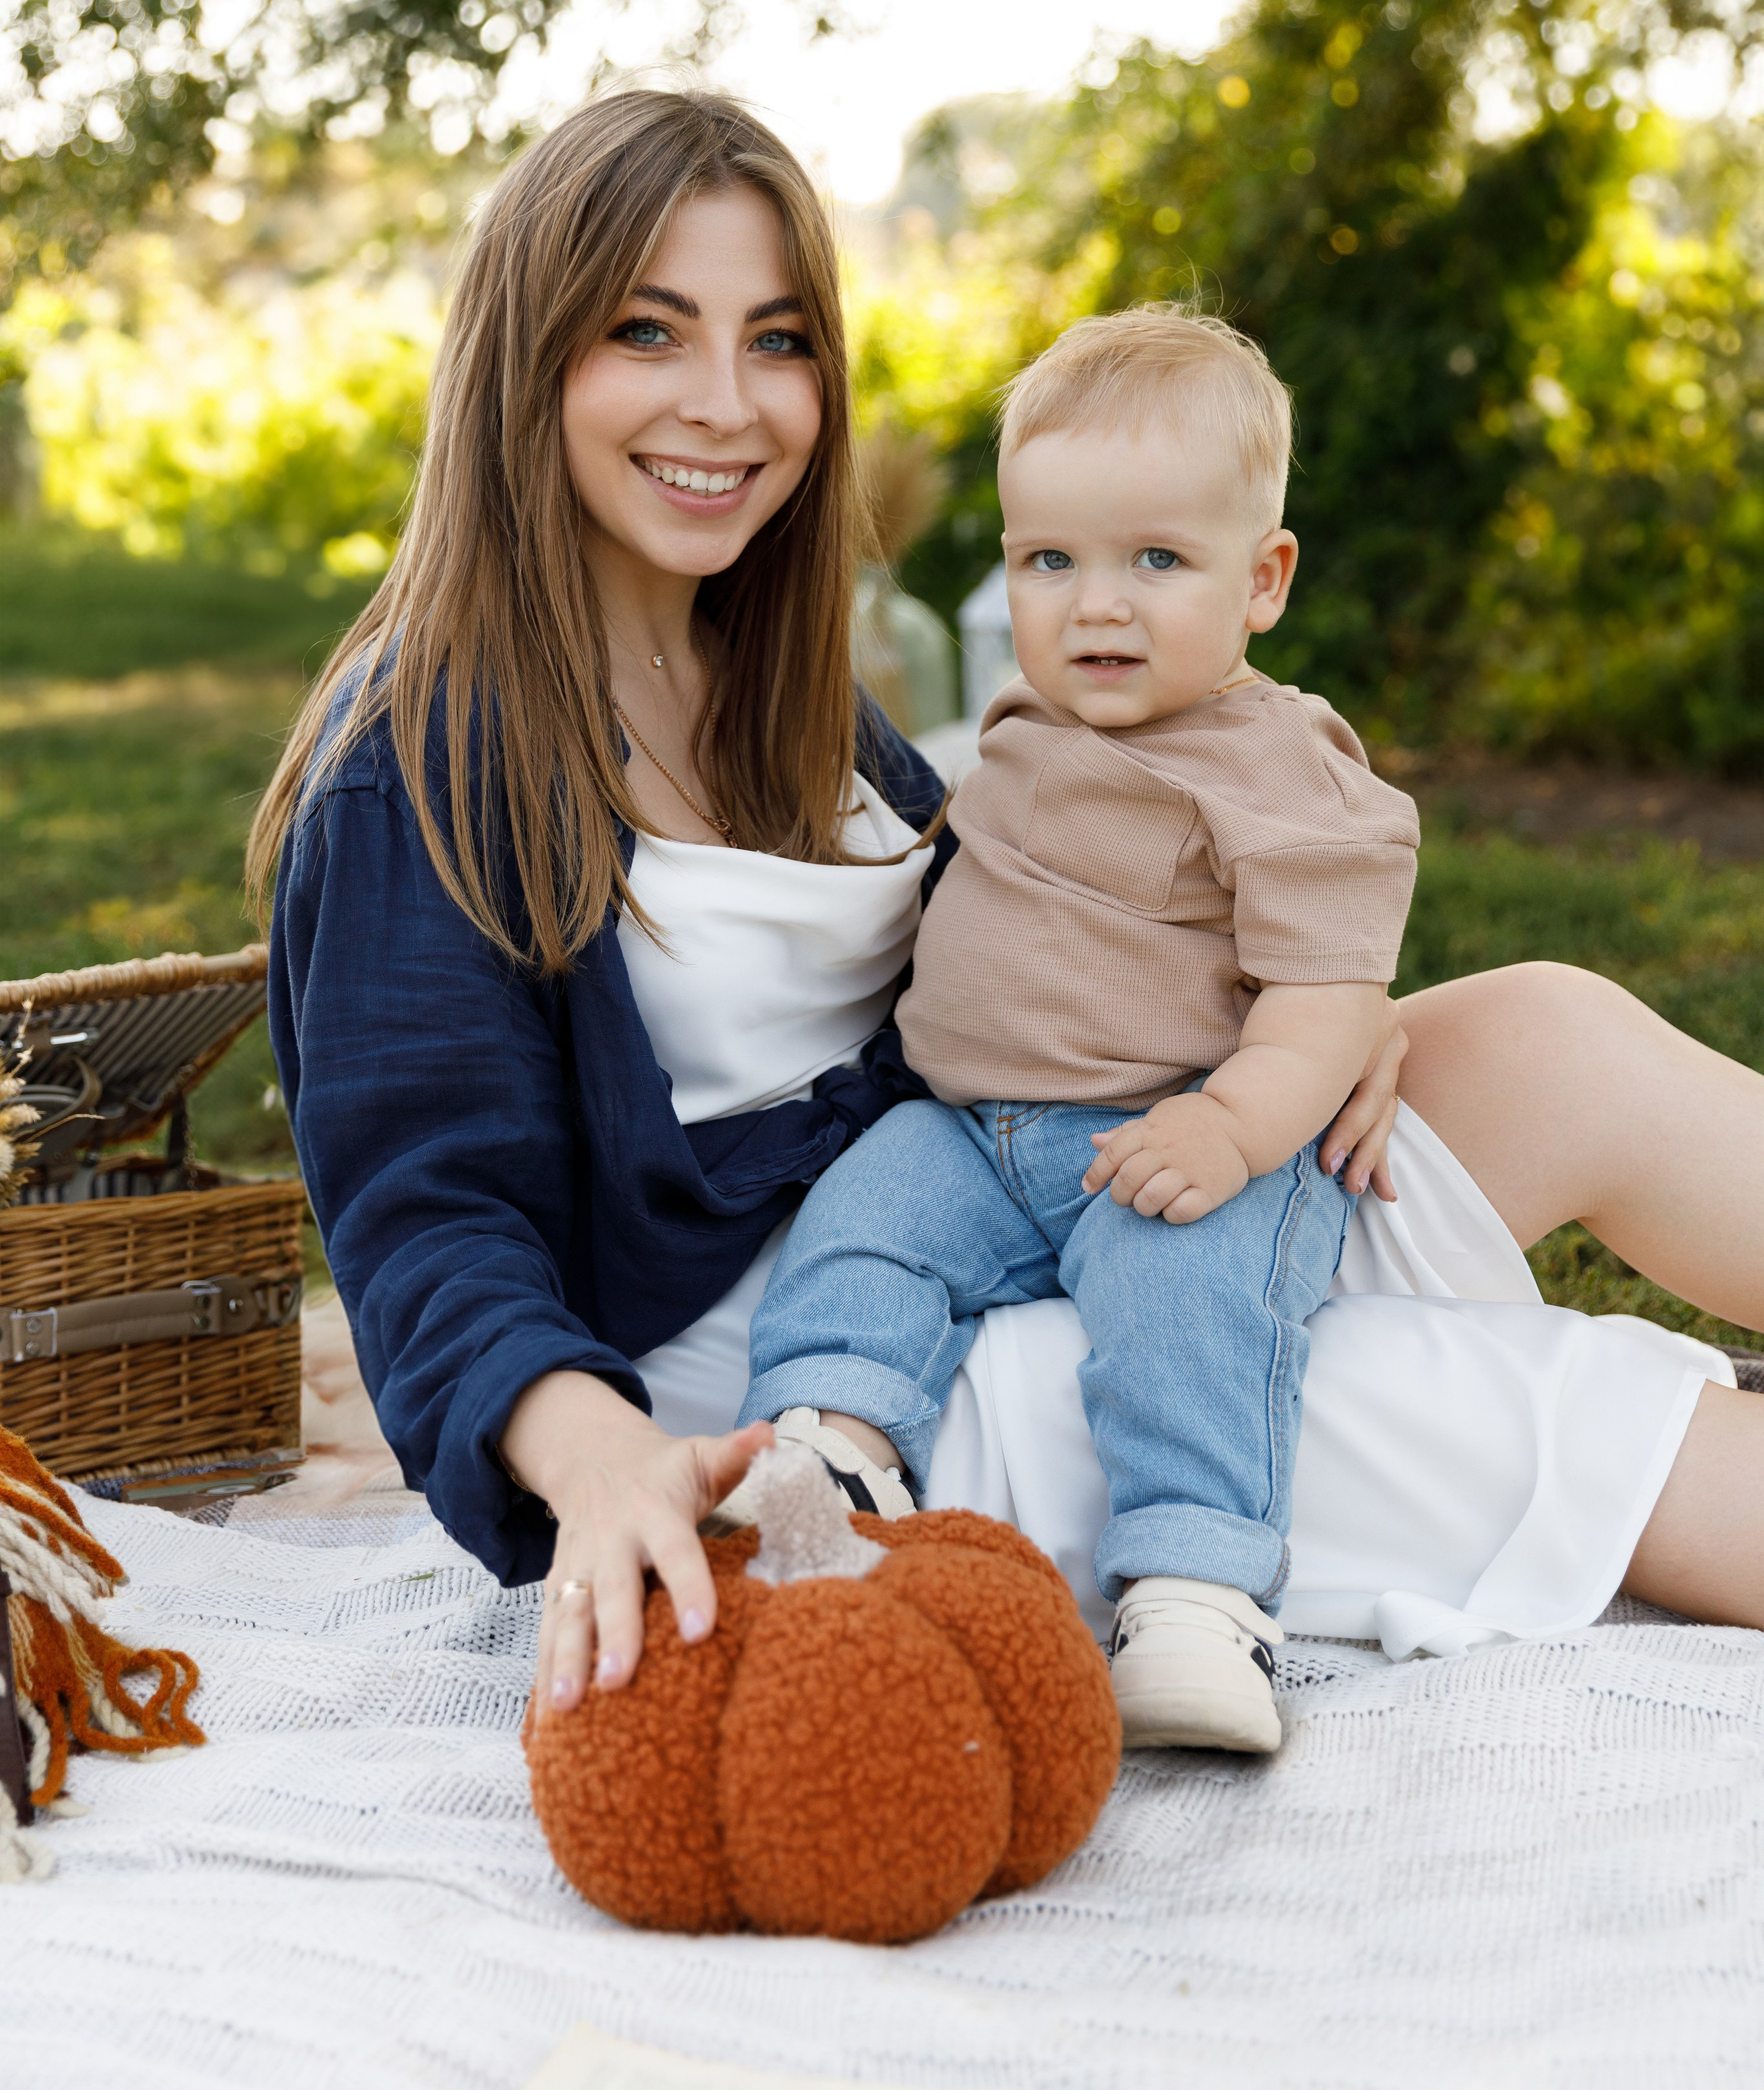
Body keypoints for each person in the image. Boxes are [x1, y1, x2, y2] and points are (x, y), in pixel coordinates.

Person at [252, 88, 1764, 1740]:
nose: (724, 403)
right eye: (644, 332)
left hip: (1047, 1164)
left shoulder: (778, 686)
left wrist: (1316, 1035)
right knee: (1536, 1415)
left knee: (1550, 1035)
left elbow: (1047, 935)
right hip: (845, 1353)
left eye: (775, 341)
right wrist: (596, 1457)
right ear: (522, 360)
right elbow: (425, 1222)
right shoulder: (416, 766)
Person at [735, 306, 1420, 1754]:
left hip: (1168, 1125)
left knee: (1189, 1315)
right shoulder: (1026, 725)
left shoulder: (1280, 761)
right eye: (1050, 562)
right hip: (967, 1135)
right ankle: (830, 1449)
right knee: (860, 1228)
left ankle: (1192, 1594)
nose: (1094, 607)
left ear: (1262, 579)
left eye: (1153, 562)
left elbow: (1323, 991)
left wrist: (1235, 1127)